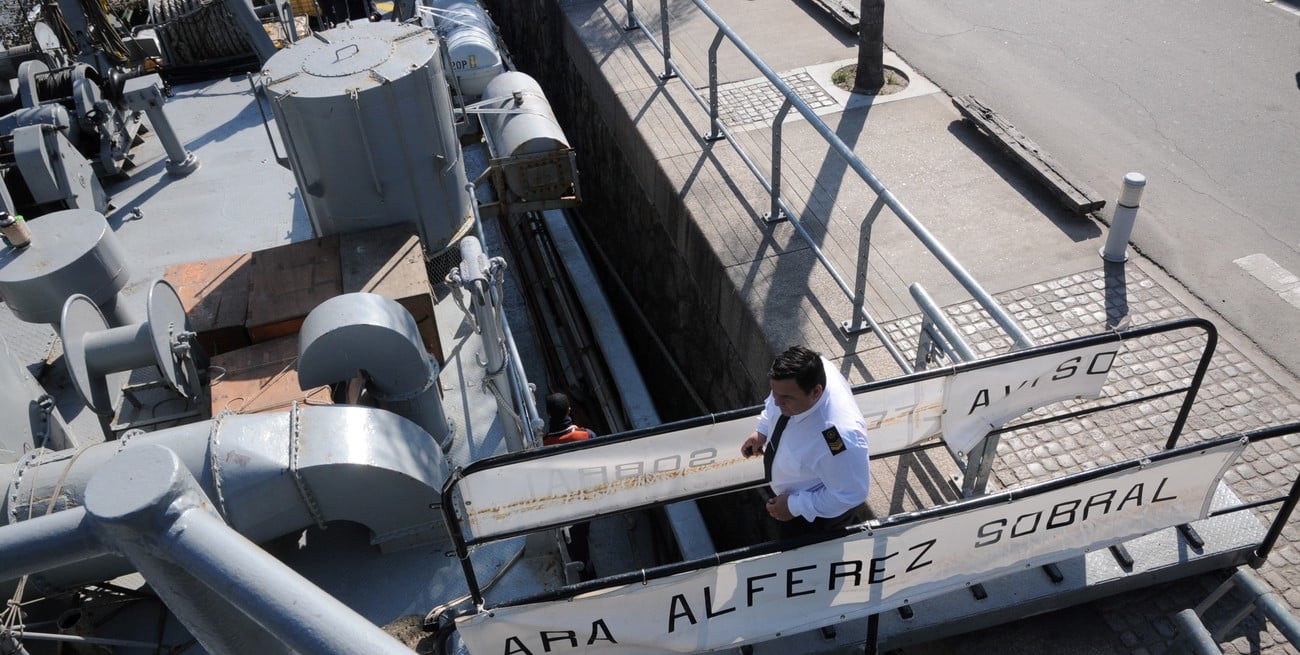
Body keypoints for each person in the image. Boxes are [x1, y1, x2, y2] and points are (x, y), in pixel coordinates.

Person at [740, 345, 871, 540]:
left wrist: (794, 506)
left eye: (786, 398)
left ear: (816, 392)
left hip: (813, 520)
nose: (776, 401)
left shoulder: (837, 437)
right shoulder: (805, 376)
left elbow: (852, 492)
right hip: (792, 499)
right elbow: (773, 405)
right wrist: (763, 430)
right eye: (774, 392)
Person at [543, 392, 597, 581]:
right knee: (584, 528)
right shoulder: (586, 435)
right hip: (588, 497)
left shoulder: (544, 444)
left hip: (566, 505)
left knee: (577, 546)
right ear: (569, 410)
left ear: (548, 414)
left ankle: (588, 578)